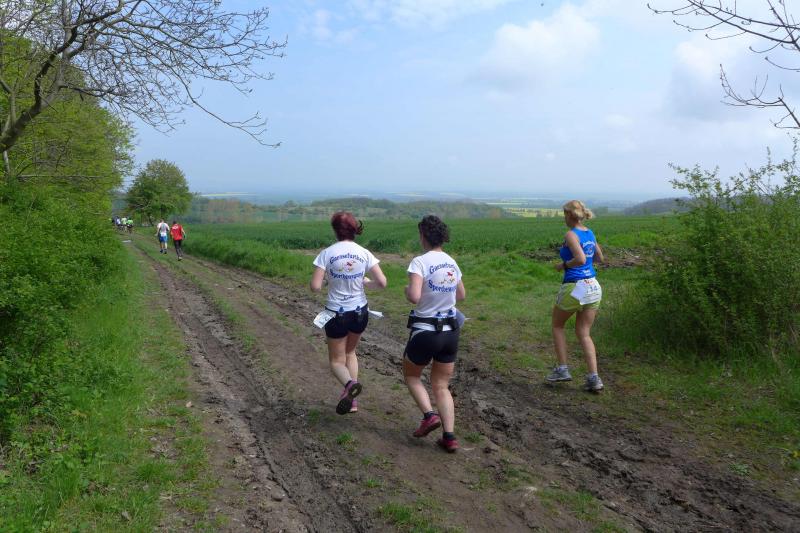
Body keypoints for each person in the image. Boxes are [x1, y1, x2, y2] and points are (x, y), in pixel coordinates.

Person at [310, 212, 387, 415]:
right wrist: (366, 283)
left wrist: (326, 280)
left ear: (335, 230)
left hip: (337, 313)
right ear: (353, 230)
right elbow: (382, 283)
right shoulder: (364, 253)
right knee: (350, 353)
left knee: (336, 362)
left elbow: (315, 287)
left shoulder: (327, 253)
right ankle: (352, 402)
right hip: (360, 312)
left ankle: (350, 384)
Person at [403, 215, 466, 453]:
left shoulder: (420, 262)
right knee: (441, 385)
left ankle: (429, 416)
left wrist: (407, 290)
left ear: (423, 236)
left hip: (426, 331)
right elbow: (461, 295)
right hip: (451, 332)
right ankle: (449, 437)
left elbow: (414, 296)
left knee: (412, 376)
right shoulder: (451, 262)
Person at [546, 200, 606, 392]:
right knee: (584, 333)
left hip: (575, 285)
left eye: (564, 214)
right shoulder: (590, 233)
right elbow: (599, 258)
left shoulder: (571, 234)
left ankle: (562, 369)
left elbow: (579, 258)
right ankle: (594, 378)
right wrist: (587, 265)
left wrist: (562, 265)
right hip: (593, 286)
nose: (563, 217)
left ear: (569, 215)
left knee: (557, 325)